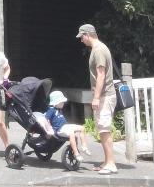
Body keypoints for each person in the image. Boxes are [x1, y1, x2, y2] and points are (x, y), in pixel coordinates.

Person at [77, 23, 118, 174]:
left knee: (104, 128)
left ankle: (111, 163)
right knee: (102, 128)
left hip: (105, 95)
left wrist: (96, 97)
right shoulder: (98, 49)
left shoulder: (99, 50)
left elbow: (101, 74)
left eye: (82, 37)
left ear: (88, 35)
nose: (81, 40)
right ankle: (107, 161)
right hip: (105, 94)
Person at [44, 90, 92, 163]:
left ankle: (84, 147)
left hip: (65, 126)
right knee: (72, 133)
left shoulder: (59, 109)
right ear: (56, 102)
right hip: (59, 129)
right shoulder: (51, 110)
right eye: (62, 102)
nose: (64, 103)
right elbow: (46, 120)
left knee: (82, 128)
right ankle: (76, 154)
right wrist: (49, 130)